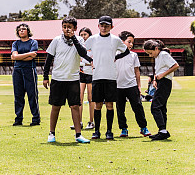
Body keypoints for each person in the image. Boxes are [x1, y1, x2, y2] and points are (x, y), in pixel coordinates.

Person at [42, 16, 92, 144]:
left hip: (73, 78)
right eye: (64, 27)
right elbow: (48, 59)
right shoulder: (57, 40)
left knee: (75, 106)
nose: (66, 29)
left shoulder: (79, 39)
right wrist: (45, 77)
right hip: (58, 78)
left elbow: (82, 53)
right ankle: (51, 133)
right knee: (56, 106)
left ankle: (78, 134)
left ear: (75, 28)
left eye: (69, 27)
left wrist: (74, 37)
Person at [83, 15, 129, 140]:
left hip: (110, 76)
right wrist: (90, 60)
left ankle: (109, 131)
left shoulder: (115, 40)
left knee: (109, 104)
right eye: (102, 25)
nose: (104, 28)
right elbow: (82, 51)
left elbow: (126, 51)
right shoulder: (92, 39)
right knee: (97, 104)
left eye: (106, 26)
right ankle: (96, 131)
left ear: (111, 27)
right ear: (98, 26)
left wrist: (116, 58)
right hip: (97, 75)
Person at [116, 30, 150, 137]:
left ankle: (143, 127)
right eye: (129, 42)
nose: (131, 44)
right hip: (117, 86)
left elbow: (137, 71)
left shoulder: (133, 55)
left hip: (131, 85)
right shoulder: (114, 54)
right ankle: (123, 129)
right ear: (122, 41)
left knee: (137, 107)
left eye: (132, 42)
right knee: (120, 109)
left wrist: (139, 85)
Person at [143, 39, 179, 140]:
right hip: (161, 82)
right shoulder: (158, 56)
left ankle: (163, 130)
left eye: (150, 53)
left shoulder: (163, 54)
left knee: (155, 106)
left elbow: (175, 65)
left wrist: (162, 75)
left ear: (156, 48)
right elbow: (159, 69)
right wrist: (155, 79)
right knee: (161, 107)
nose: (150, 55)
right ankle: (162, 131)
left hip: (165, 82)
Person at [10, 23, 40, 126]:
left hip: (29, 70)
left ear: (28, 31)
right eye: (19, 29)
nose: (21, 31)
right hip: (17, 70)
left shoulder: (33, 42)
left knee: (32, 94)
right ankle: (18, 119)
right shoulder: (15, 43)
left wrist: (18, 56)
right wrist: (28, 54)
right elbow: (14, 57)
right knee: (18, 95)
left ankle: (36, 118)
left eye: (24, 29)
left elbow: (32, 57)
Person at [78, 27, 95, 130]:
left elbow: (93, 59)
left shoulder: (93, 44)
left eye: (85, 34)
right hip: (81, 72)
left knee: (90, 98)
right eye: (81, 34)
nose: (83, 37)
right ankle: (78, 121)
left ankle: (91, 121)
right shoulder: (79, 45)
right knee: (79, 98)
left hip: (91, 73)